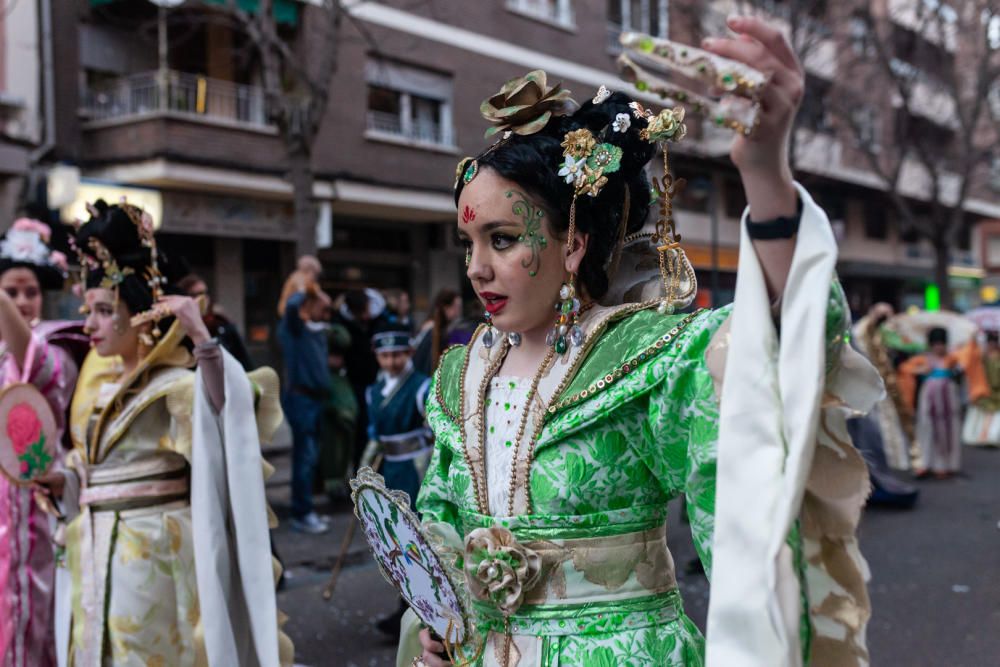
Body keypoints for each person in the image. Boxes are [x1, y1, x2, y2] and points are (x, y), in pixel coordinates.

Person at [401, 17, 881, 667]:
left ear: (572, 243)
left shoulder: (650, 359)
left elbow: (782, 350)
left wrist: (764, 171)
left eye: (503, 238)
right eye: (469, 242)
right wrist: (443, 617)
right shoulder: (465, 375)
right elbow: (441, 523)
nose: (477, 267)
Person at [32, 200, 292, 665]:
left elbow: (228, 415)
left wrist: (200, 336)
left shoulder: (173, 387)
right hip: (94, 549)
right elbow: (91, 474)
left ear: (141, 315)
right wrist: (66, 483)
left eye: (105, 310)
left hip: (155, 552)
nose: (89, 324)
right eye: (88, 310)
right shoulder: (97, 390)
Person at [0, 218, 83, 667]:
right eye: (11, 292)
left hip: (33, 510)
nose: (22, 302)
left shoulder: (56, 346)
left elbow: (31, 364)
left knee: (30, 618)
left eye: (29, 291)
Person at [361, 322, 433, 638]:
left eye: (397, 354)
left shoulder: (422, 387)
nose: (391, 361)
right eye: (384, 355)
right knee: (393, 540)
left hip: (416, 471)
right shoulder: (373, 392)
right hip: (389, 471)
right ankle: (405, 605)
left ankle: (418, 608)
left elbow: (436, 430)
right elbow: (375, 434)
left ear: (409, 353)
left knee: (417, 541)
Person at [278, 277, 333, 534]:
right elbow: (291, 308)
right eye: (318, 305)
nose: (324, 312)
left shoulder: (313, 329)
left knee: (310, 458)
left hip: (314, 399)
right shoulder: (292, 328)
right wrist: (304, 290)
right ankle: (302, 512)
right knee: (304, 458)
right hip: (301, 400)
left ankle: (307, 508)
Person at [852, 303, 915, 471]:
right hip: (868, 384)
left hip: (883, 383)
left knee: (888, 419)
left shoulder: (879, 331)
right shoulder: (862, 330)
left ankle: (890, 458)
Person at [898, 327, 965, 478]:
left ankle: (946, 464)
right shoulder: (922, 359)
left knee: (949, 428)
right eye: (936, 343)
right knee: (927, 428)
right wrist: (921, 370)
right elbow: (904, 369)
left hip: (949, 397)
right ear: (931, 344)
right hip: (929, 397)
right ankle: (925, 463)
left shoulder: (952, 358)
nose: (939, 347)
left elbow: (963, 368)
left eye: (941, 343)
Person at [178, 273, 254, 370]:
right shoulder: (178, 330)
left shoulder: (223, 325)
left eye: (205, 293)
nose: (203, 298)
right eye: (196, 294)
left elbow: (244, 363)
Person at [317, 322, 358, 497]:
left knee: (344, 450)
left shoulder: (340, 374)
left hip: (344, 419)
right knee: (332, 450)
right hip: (331, 418)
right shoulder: (325, 375)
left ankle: (340, 481)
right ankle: (331, 485)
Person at [959, 330, 1000, 447]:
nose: (992, 345)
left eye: (994, 342)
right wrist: (973, 339)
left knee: (994, 415)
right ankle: (983, 436)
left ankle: (992, 436)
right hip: (984, 389)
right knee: (984, 413)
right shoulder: (981, 356)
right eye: (990, 342)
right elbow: (969, 359)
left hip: (997, 391)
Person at [411, 288, 463, 376]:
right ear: (446, 308)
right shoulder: (431, 328)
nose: (458, 312)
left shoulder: (440, 328)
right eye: (456, 307)